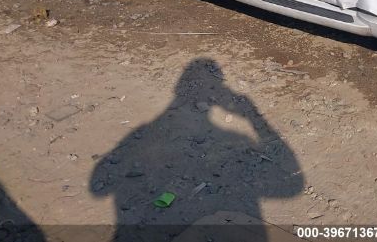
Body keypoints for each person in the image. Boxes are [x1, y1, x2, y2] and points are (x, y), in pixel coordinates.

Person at [90, 58, 303, 241]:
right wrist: (253, 117)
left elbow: (97, 188)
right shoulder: (237, 138)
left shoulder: (142, 134)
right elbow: (292, 186)